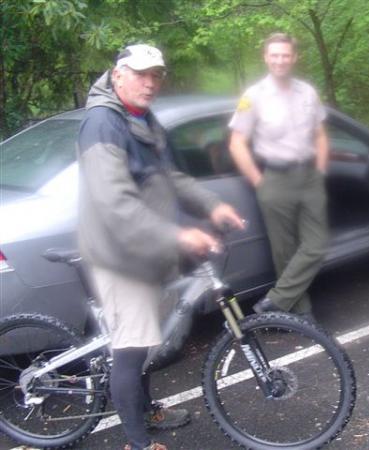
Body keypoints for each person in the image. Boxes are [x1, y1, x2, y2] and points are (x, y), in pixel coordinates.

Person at [77, 44, 244, 450]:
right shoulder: (103, 124)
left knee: (148, 340)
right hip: (120, 257)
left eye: (156, 75)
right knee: (131, 351)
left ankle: (146, 407)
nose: (150, 82)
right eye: (141, 74)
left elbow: (171, 177)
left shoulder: (143, 119)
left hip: (147, 250)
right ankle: (136, 442)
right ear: (118, 75)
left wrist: (213, 205)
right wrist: (179, 235)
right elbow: (116, 205)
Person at [228, 33, 329, 318]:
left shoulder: (307, 92)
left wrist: (320, 171)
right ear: (266, 58)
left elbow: (320, 135)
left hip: (309, 177)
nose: (280, 60)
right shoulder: (253, 97)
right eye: (275, 55)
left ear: (294, 57)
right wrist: (260, 183)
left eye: (285, 55)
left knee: (316, 246)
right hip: (275, 179)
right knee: (284, 252)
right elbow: (236, 143)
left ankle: (276, 301)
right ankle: (302, 314)